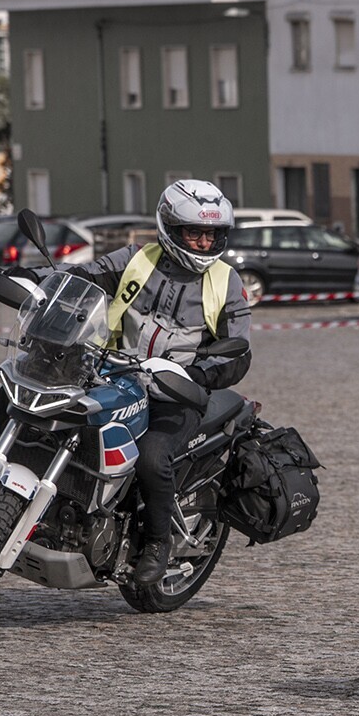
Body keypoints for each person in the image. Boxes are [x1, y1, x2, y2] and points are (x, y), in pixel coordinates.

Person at [77, 180, 253, 589]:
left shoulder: (227, 282)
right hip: (114, 378)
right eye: (195, 233)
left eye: (212, 234)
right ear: (170, 229)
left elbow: (238, 352)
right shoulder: (136, 260)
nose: (205, 243)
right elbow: (84, 277)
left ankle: (157, 543)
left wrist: (197, 376)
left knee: (153, 458)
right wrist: (38, 278)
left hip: (178, 396)